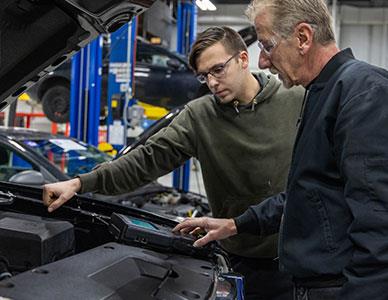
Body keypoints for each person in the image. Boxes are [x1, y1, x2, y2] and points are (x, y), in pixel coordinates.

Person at [42, 26, 304, 299]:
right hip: (236, 261)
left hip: (296, 260)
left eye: (218, 69)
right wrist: (81, 182)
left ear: (242, 59)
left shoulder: (295, 99)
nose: (212, 83)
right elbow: (146, 160)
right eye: (204, 76)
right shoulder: (200, 116)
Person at [173, 1, 388, 300]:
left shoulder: (363, 93)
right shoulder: (319, 94)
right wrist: (235, 224)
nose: (262, 62)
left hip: (339, 288)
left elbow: (379, 223)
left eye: (268, 46)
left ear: (303, 38)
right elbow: (308, 194)